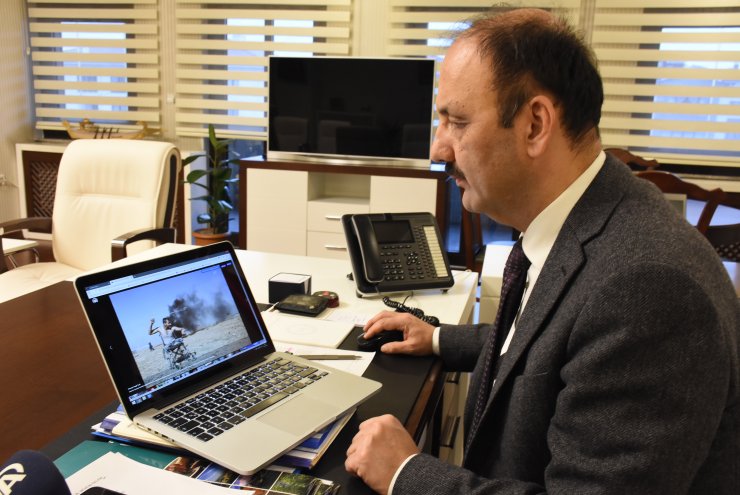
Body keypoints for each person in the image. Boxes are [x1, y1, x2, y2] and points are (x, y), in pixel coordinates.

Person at [344, 7, 739, 495]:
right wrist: (441, 339)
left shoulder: (647, 290)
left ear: (534, 124)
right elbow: (550, 338)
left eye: (457, 122)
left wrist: (407, 473)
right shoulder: (590, 219)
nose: (438, 149)